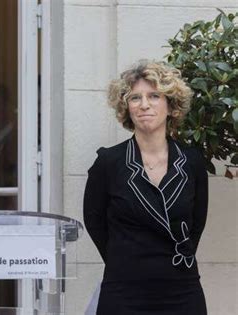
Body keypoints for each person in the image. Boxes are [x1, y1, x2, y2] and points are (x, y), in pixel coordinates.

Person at [83, 60, 208, 314]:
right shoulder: (109, 162)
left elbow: (196, 224)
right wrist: (124, 261)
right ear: (126, 108)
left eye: (154, 96)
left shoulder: (192, 161)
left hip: (181, 289)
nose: (144, 105)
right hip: (124, 290)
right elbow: (94, 222)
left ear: (170, 105)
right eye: (135, 98)